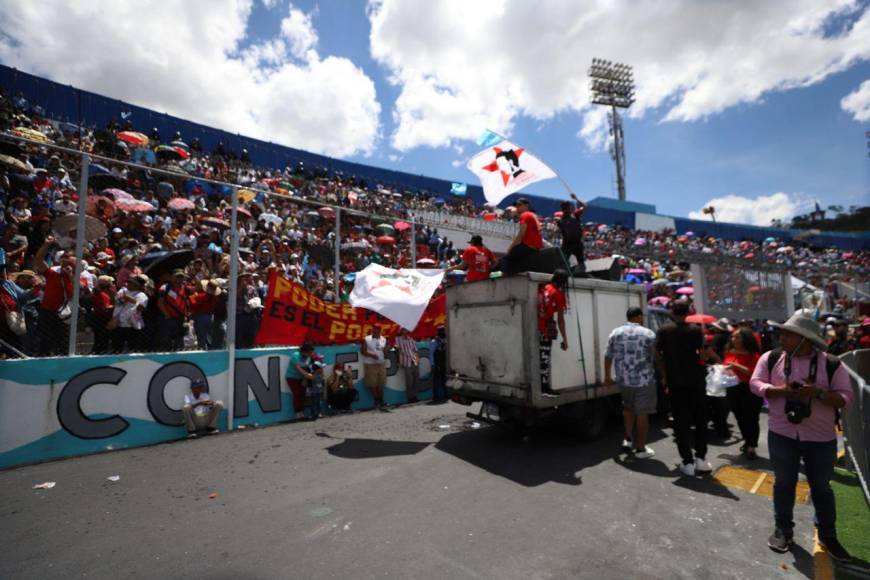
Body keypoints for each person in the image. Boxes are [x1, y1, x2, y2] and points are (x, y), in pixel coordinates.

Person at [750, 312, 853, 561]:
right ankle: (783, 530)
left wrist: (816, 393)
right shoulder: (772, 357)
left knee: (821, 488)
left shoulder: (831, 363)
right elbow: (755, 383)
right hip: (782, 433)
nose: (781, 337)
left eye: (788, 334)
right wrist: (779, 391)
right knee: (784, 484)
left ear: (805, 339)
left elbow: (846, 398)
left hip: (820, 437)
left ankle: (828, 535)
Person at [656, 301, 717, 476]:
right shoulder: (696, 330)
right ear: (688, 312)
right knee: (700, 420)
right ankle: (701, 458)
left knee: (680, 422)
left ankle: (687, 462)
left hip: (676, 382)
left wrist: (664, 375)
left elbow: (657, 354)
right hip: (696, 381)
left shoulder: (664, 330)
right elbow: (703, 353)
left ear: (672, 312)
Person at [605, 306, 657, 458]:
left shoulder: (616, 332)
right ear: (639, 317)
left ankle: (627, 438)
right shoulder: (648, 333)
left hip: (623, 380)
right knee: (642, 414)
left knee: (628, 408)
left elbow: (608, 356)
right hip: (644, 380)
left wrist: (607, 376)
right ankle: (641, 449)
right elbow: (656, 357)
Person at [723, 328, 762, 459]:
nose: (734, 339)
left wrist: (736, 366)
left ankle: (752, 446)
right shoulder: (729, 352)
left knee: (751, 418)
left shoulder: (754, 355)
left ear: (745, 339)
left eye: (737, 337)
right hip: (733, 388)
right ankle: (747, 441)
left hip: (749, 389)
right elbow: (726, 367)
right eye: (733, 337)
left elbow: (754, 373)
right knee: (739, 417)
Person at [538, 269, 569, 395]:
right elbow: (561, 320)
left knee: (538, 357)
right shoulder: (558, 294)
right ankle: (544, 387)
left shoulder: (543, 288)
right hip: (546, 329)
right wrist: (565, 340)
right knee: (544, 358)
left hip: (536, 326)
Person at [498, 198, 542, 274]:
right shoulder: (533, 215)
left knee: (505, 259)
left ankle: (502, 277)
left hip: (528, 245)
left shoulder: (525, 215)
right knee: (516, 260)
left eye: (519, 205)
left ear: (526, 205)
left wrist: (510, 248)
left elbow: (521, 235)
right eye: (516, 206)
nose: (517, 207)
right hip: (536, 247)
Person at [157, 269, 189, 351]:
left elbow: (187, 300)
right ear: (172, 277)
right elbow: (160, 302)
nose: (179, 279)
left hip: (180, 318)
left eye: (181, 277)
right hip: (168, 318)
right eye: (177, 277)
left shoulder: (184, 287)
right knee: (166, 340)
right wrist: (166, 314)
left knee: (179, 342)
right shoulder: (164, 287)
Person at [556, 193, 586, 273]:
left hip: (578, 244)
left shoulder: (575, 215)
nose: (569, 208)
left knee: (581, 263)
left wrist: (576, 198)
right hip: (567, 244)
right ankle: (565, 274)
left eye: (569, 206)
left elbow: (585, 206)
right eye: (567, 207)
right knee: (563, 261)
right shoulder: (560, 221)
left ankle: (581, 274)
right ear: (563, 209)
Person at [361, 325, 388, 410]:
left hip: (381, 363)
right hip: (370, 364)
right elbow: (362, 351)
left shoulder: (383, 339)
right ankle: (376, 401)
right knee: (373, 384)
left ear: (380, 330)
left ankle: (381, 400)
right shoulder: (367, 339)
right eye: (374, 329)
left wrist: (387, 349)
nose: (375, 330)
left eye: (377, 329)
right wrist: (372, 355)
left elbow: (384, 351)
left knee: (381, 383)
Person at [286, 343, 315, 420]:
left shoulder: (308, 358)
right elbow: (298, 368)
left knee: (303, 394)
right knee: (297, 393)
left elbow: (308, 368)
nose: (311, 354)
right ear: (304, 351)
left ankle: (302, 413)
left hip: (302, 377)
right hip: (292, 377)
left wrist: (305, 379)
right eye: (309, 352)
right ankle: (297, 413)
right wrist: (307, 376)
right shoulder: (295, 355)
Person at [394, 327, 420, 404]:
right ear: (401, 331)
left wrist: (418, 360)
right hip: (406, 361)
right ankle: (410, 397)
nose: (405, 331)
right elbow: (397, 350)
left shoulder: (411, 339)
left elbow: (415, 350)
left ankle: (414, 396)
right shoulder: (398, 339)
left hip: (414, 360)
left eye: (405, 329)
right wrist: (399, 361)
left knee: (416, 379)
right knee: (409, 380)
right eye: (403, 330)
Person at [429, 326, 448, 404]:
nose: (443, 333)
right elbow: (431, 354)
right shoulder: (434, 342)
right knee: (436, 382)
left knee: (445, 380)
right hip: (436, 364)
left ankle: (446, 395)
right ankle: (435, 397)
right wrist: (432, 364)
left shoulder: (446, 340)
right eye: (442, 331)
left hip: (444, 364)